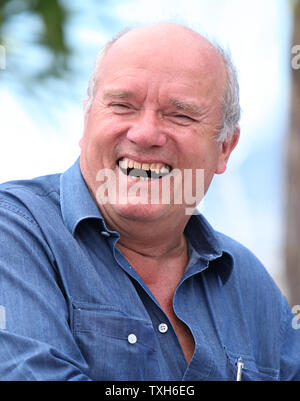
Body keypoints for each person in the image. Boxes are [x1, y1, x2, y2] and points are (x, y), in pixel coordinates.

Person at [0, 22, 299, 381]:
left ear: (224, 148)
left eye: (180, 115)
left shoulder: (249, 283)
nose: (144, 134)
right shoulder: (15, 233)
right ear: (86, 121)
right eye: (123, 105)